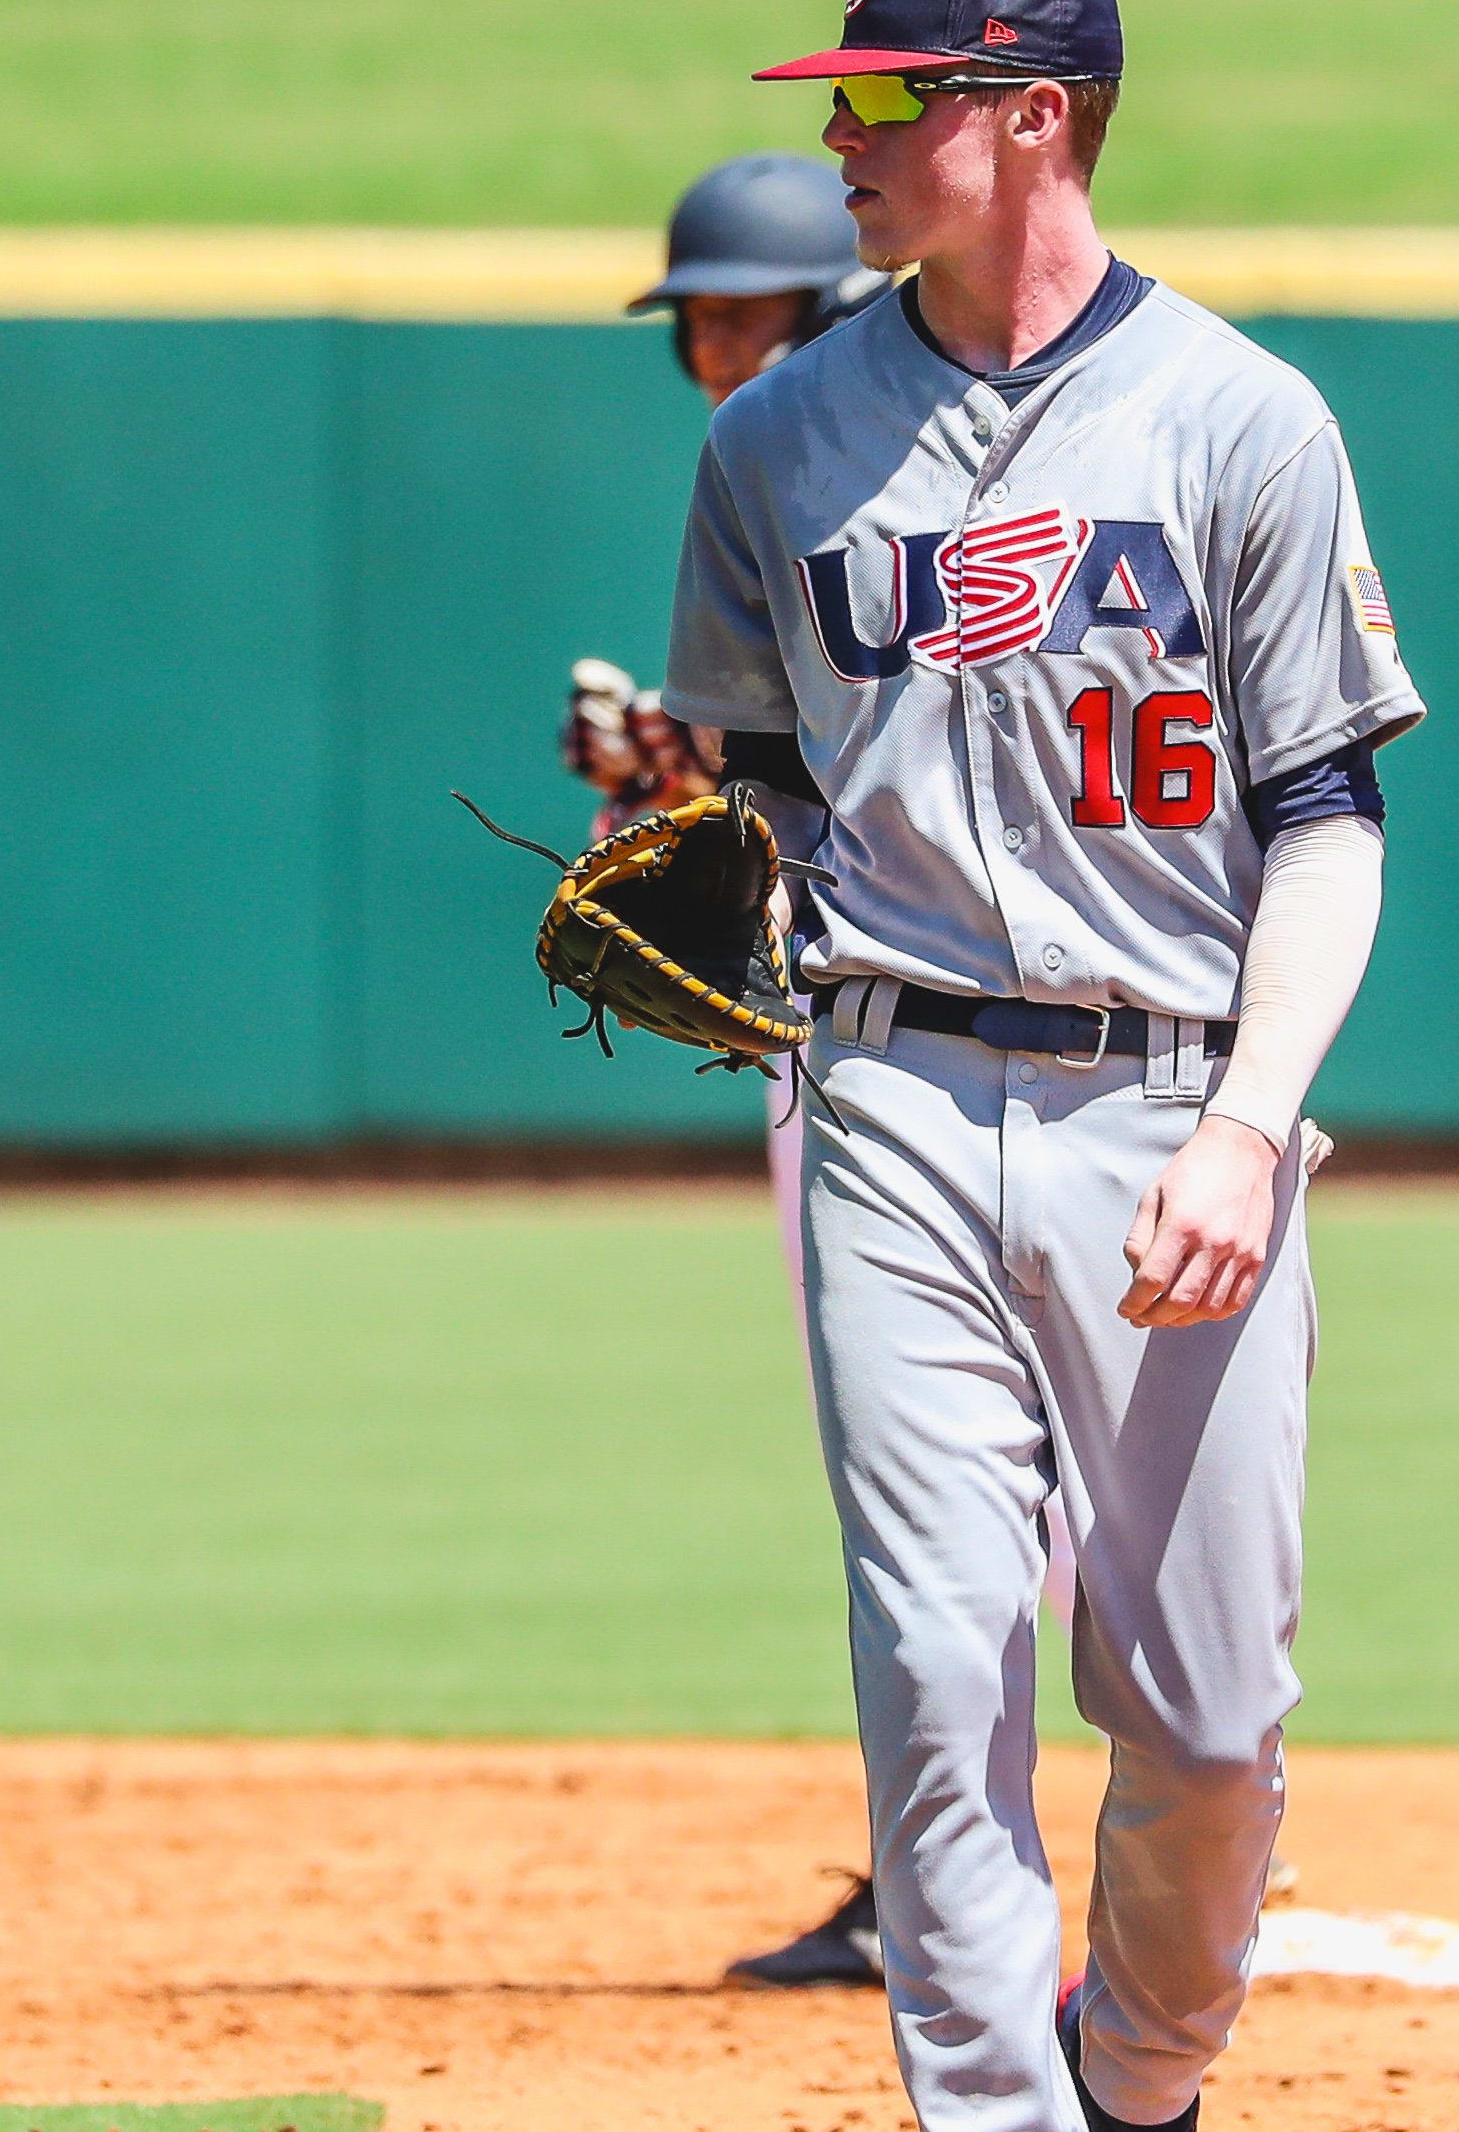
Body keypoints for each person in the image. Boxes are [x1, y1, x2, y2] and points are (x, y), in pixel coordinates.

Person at [661, 0, 1417, 2132]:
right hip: (882, 1087)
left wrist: (1255, 1124)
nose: (851, 148)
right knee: (931, 1668)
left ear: (1037, 119)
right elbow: (758, 797)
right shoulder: (778, 446)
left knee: (1198, 1713)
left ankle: (1145, 2081)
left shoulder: (1242, 423)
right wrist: (722, 896)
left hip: (1171, 1100)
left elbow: (1332, 827)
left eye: (894, 101)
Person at [556, 151, 903, 1991]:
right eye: (699, 324)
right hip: (837, 1031)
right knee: (932, 1479)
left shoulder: (891, 480)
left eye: (743, 315)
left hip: (963, 1042)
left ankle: (1192, 1839)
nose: (712, 352)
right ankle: (978, 1866)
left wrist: (693, 767)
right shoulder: (786, 475)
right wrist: (665, 780)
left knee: (1015, 1487)